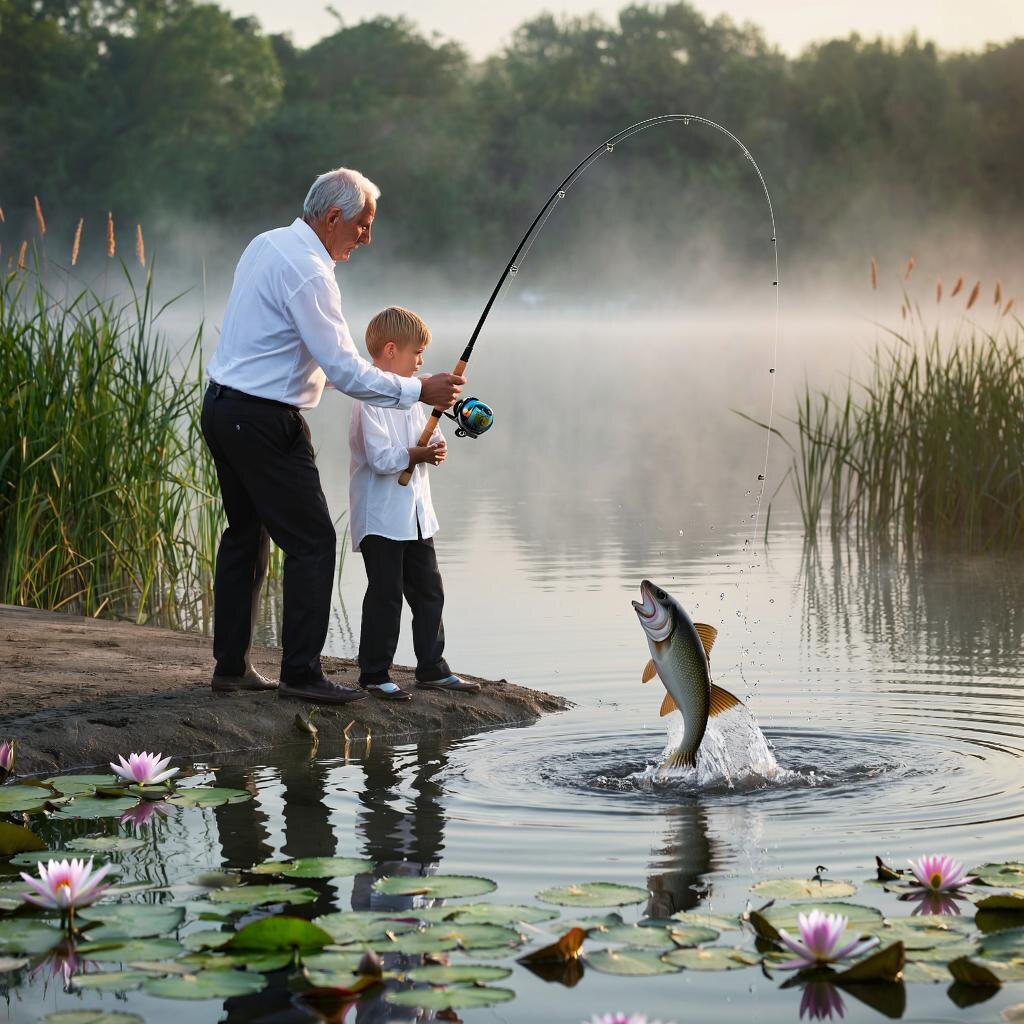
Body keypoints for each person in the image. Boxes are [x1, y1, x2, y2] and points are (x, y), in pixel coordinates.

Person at [200, 167, 465, 704]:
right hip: (262, 419)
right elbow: (345, 372)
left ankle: (231, 668)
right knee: (314, 542)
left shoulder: (266, 245)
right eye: (363, 225)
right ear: (333, 217)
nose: (367, 237)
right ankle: (300, 675)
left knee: (245, 536)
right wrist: (420, 390)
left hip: (222, 406)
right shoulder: (310, 271)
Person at [349, 307, 481, 701]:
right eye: (417, 353)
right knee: (385, 595)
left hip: (417, 517)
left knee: (429, 593)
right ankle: (374, 673)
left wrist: (434, 451)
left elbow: (424, 444)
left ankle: (432, 668)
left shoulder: (415, 397)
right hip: (381, 519)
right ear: (391, 350)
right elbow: (380, 458)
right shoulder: (369, 399)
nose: (422, 363)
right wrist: (417, 455)